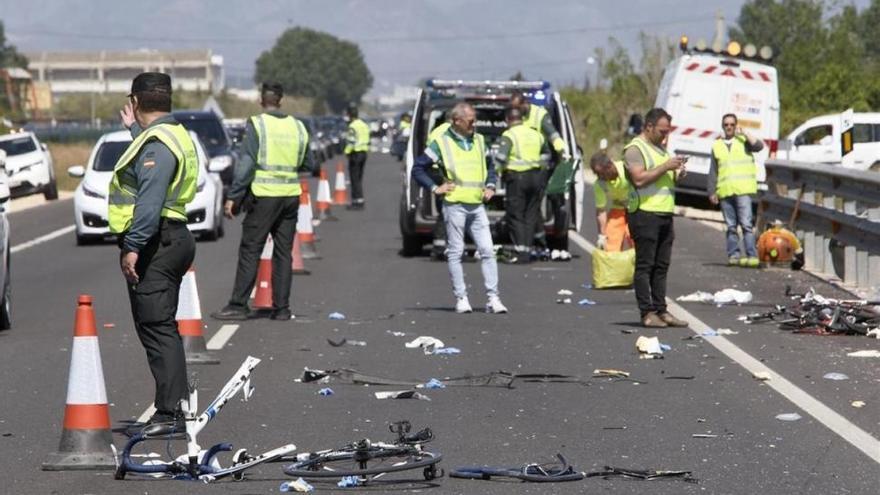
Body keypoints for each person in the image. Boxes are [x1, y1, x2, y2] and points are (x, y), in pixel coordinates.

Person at [110, 72, 197, 436]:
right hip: (171, 237)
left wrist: (133, 246)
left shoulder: (159, 142)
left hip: (157, 241)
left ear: (135, 100)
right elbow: (152, 163)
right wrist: (134, 130)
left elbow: (149, 200)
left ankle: (170, 413)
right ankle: (172, 406)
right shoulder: (169, 134)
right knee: (159, 327)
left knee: (158, 328)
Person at [211, 82, 312, 322]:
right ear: (281, 100)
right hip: (290, 196)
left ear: (261, 100)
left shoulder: (258, 124)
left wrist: (234, 197)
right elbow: (309, 163)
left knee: (251, 250)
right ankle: (282, 308)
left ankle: (238, 304)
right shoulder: (298, 126)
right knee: (283, 253)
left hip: (265, 196)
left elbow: (246, 164)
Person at [412, 102, 508, 314]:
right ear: (457, 121)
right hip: (454, 205)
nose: (475, 124)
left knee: (487, 250)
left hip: (477, 205)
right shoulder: (441, 143)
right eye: (471, 121)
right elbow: (418, 168)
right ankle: (461, 298)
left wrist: (491, 185)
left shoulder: (480, 141)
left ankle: (493, 298)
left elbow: (490, 166)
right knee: (456, 252)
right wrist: (435, 188)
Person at [623, 108, 689, 328]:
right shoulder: (635, 149)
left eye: (667, 132)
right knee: (645, 265)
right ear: (649, 127)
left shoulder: (661, 150)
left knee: (662, 265)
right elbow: (640, 179)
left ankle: (661, 310)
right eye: (662, 131)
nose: (665, 136)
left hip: (664, 214)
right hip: (644, 214)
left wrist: (677, 172)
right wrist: (666, 166)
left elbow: (664, 179)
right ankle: (647, 312)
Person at [509, 91, 571, 256]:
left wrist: (562, 150)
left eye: (517, 107)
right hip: (521, 169)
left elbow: (552, 134)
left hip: (540, 168)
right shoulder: (516, 116)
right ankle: (535, 242)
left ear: (524, 103)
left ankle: (538, 243)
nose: (515, 111)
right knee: (530, 209)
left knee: (533, 207)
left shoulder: (538, 115)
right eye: (513, 108)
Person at [495, 107, 550, 264]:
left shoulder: (509, 134)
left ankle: (521, 251)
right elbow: (546, 154)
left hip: (517, 178)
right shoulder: (536, 134)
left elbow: (501, 157)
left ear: (508, 120)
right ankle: (527, 248)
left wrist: (498, 173)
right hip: (536, 177)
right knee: (531, 214)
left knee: (515, 214)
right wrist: (539, 167)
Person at [708, 113, 763, 267]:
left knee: (746, 225)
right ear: (723, 126)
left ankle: (751, 255)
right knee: (731, 227)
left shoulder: (743, 141)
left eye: (732, 124)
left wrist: (744, 132)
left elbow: (759, 146)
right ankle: (734, 255)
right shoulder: (717, 145)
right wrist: (712, 191)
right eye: (726, 125)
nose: (729, 127)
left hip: (742, 190)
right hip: (725, 191)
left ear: (736, 125)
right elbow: (713, 171)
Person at [591, 152, 633, 251]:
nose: (599, 177)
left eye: (601, 173)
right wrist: (602, 235)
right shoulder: (599, 184)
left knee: (636, 240)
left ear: (610, 166)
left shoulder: (626, 169)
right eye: (596, 174)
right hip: (618, 209)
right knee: (610, 242)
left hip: (636, 210)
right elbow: (601, 210)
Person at [344, 104, 370, 209]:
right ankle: (357, 199)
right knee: (359, 177)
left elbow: (351, 141)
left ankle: (358, 201)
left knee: (354, 178)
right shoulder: (364, 124)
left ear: (350, 115)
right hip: (364, 153)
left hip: (355, 153)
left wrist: (347, 152)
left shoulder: (352, 126)